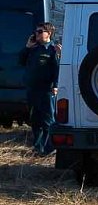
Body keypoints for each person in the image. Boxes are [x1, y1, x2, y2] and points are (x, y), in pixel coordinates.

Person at [18, 23, 61, 156]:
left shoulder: (53, 49)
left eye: (40, 31)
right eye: (36, 31)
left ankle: (49, 148)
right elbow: (21, 61)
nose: (36, 34)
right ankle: (38, 147)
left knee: (48, 120)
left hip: (46, 90)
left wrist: (56, 85)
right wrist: (27, 47)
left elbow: (57, 69)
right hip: (33, 90)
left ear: (49, 33)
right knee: (35, 119)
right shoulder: (33, 49)